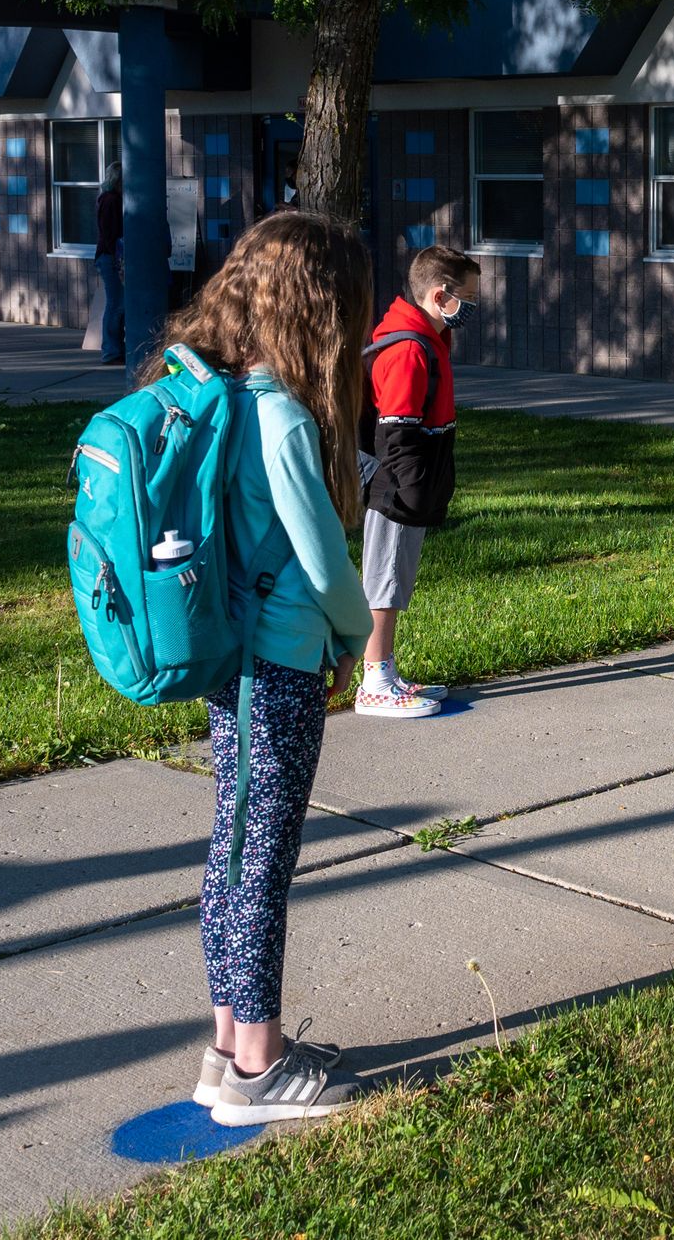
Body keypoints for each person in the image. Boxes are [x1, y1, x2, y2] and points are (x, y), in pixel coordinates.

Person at [162, 210, 373, 1125]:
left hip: (235, 664)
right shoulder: (281, 415)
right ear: (319, 310)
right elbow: (322, 557)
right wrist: (360, 633)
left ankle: (225, 1048)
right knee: (263, 860)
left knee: (235, 844)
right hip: (276, 665)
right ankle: (258, 1066)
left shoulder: (224, 398)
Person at [354, 245, 483, 717]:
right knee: (385, 576)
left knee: (395, 573)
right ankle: (375, 682)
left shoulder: (425, 337)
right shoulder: (408, 349)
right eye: (466, 297)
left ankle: (386, 669)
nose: (471, 307)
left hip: (411, 480)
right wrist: (409, 493)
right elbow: (397, 433)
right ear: (439, 295)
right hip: (398, 485)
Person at [93, 165, 125, 365]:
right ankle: (111, 350)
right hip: (111, 256)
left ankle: (114, 348)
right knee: (117, 304)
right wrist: (118, 259)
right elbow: (110, 234)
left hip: (110, 256)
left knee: (118, 304)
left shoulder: (108, 199)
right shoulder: (112, 200)